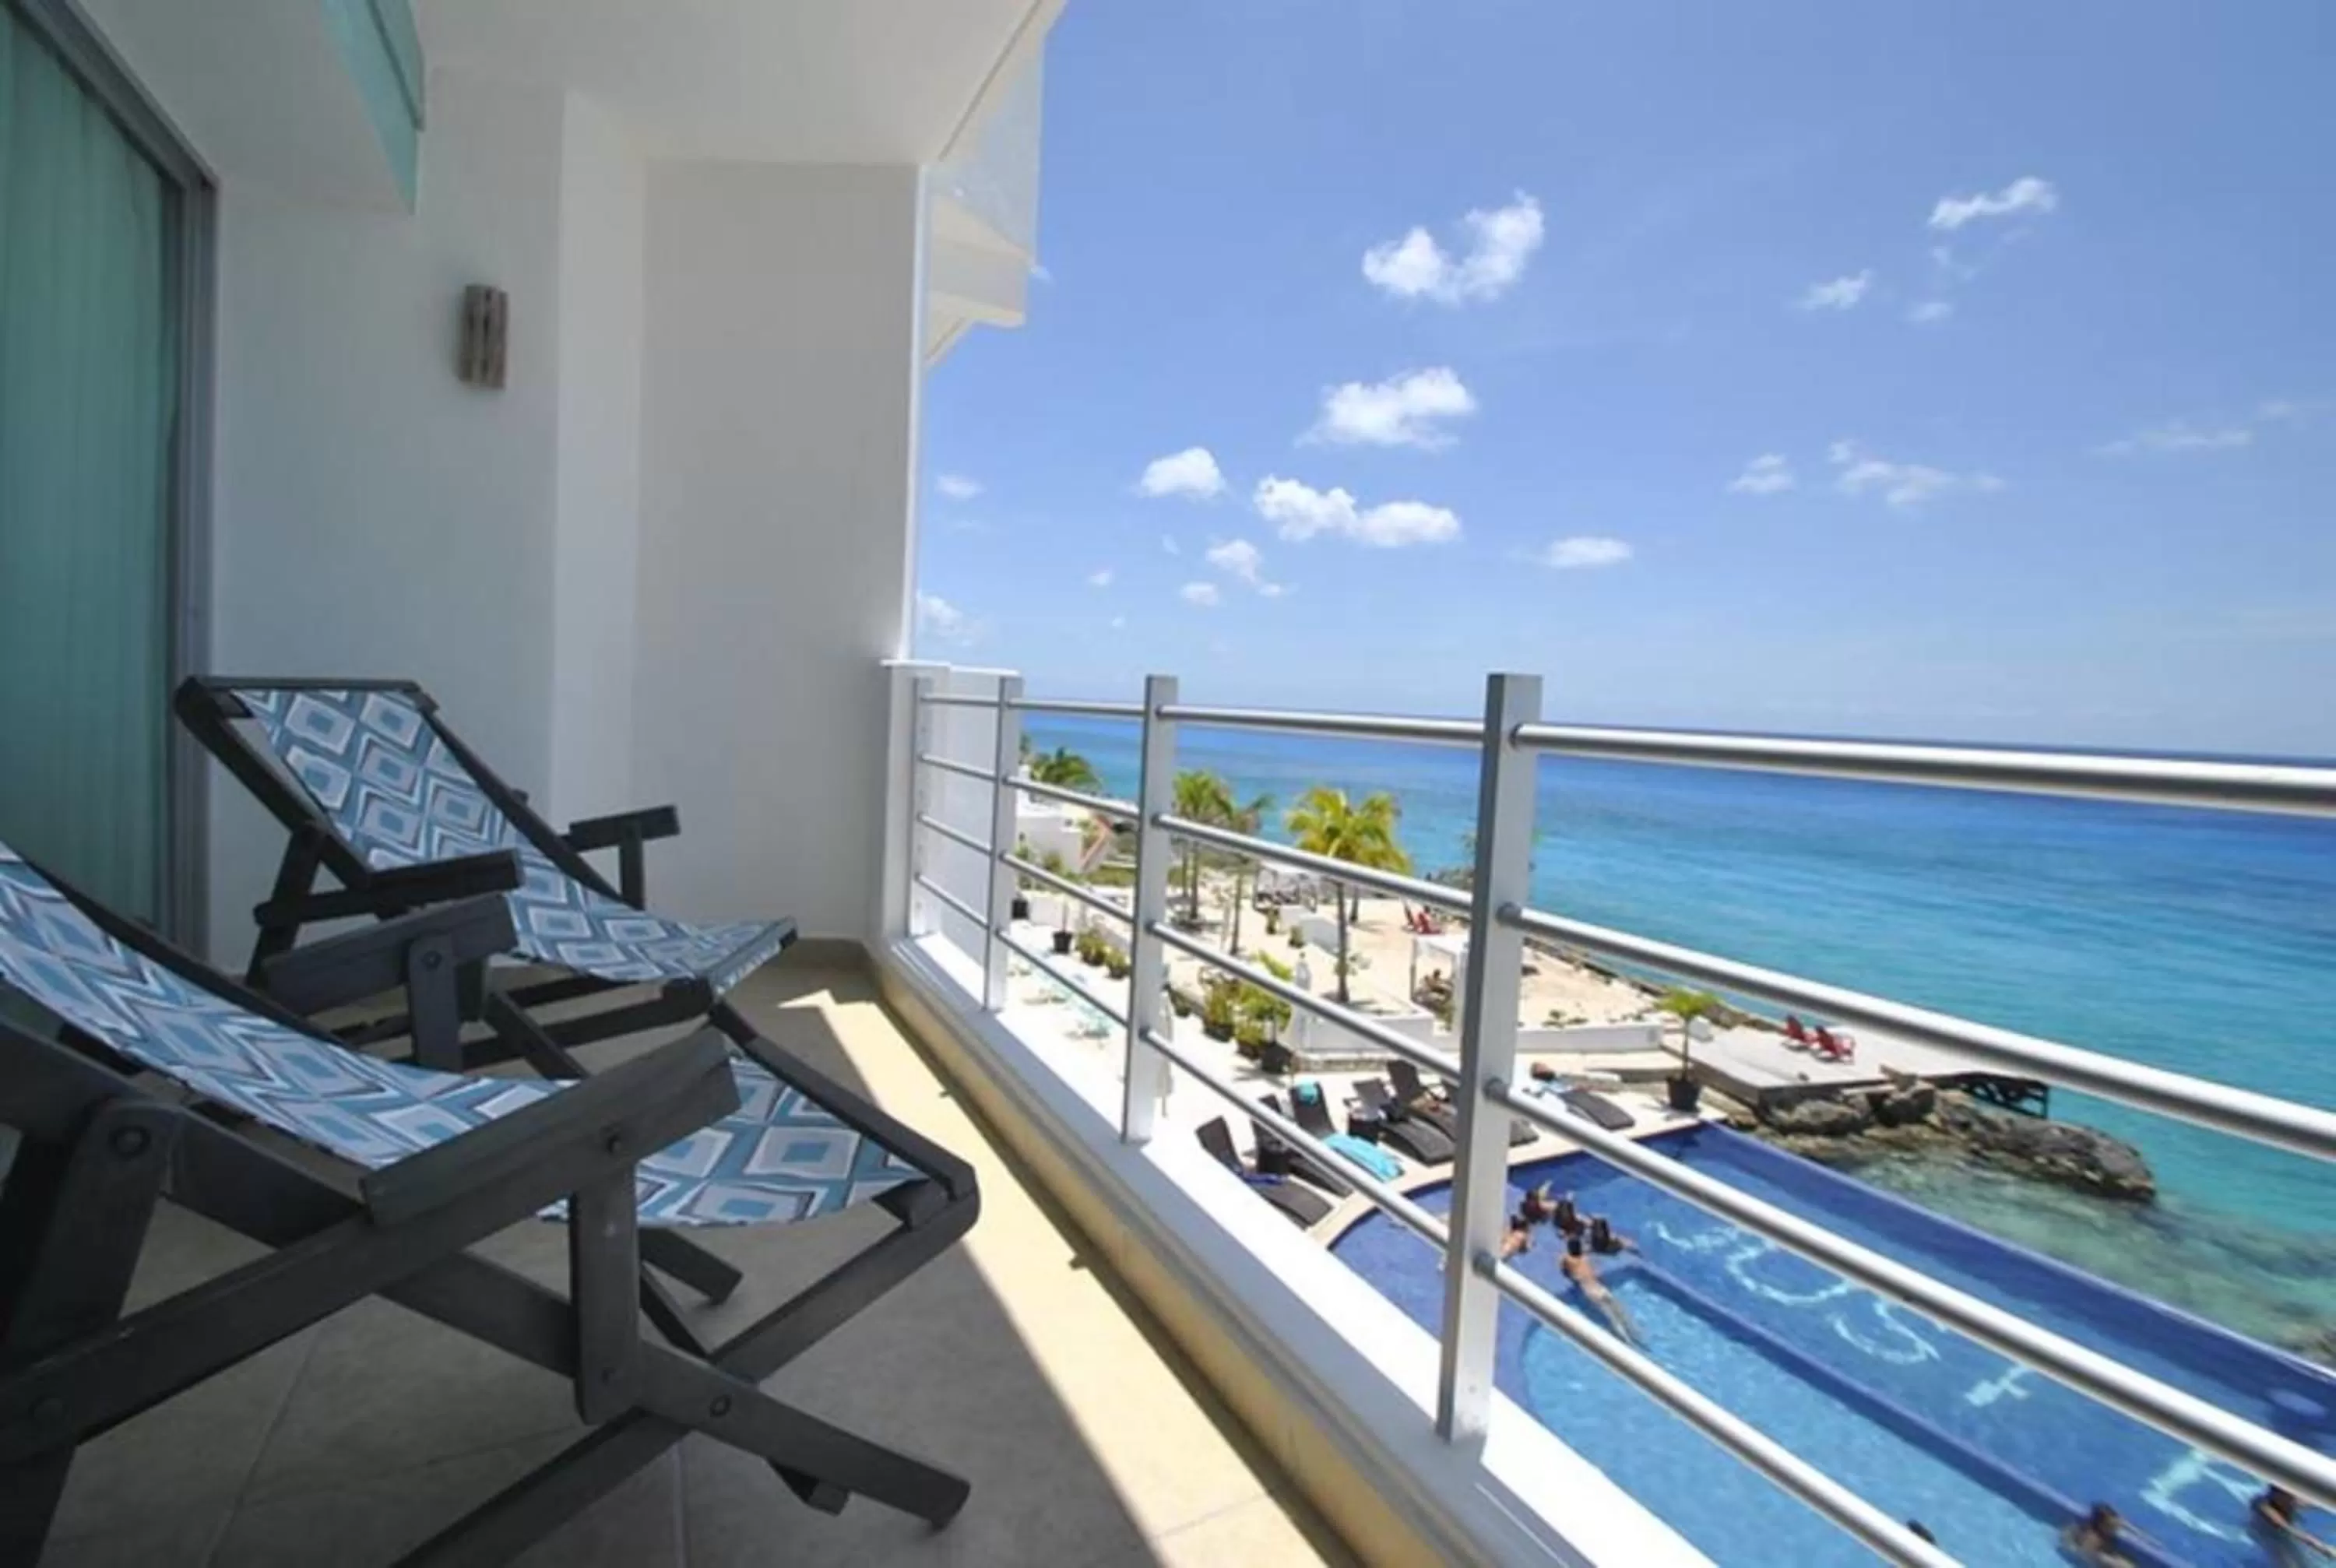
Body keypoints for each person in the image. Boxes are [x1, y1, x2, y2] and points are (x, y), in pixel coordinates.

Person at [1563, 1236, 1641, 1346]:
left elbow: (1564, 1270)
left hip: (1590, 1291)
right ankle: (1636, 1334)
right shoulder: (1585, 1258)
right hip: (1601, 1288)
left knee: (1611, 1319)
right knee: (1620, 1311)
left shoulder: (1567, 1259)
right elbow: (1586, 1251)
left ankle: (1627, 1343)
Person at [2254, 1485, 2334, 1564]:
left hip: (2287, 1533)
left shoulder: (2291, 1500)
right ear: (2276, 1494)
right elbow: (2288, 1529)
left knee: (2304, 1563)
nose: (2294, 1500)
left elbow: (2315, 1503)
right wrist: (2322, 1547)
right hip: (2270, 1537)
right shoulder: (2263, 1505)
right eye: (2291, 1496)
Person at [2061, 1502, 2134, 1567]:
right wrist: (2109, 1561)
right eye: (2110, 1526)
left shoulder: (2103, 1527)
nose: (2116, 1528)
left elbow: (2122, 1522)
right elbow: (2086, 1557)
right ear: (2101, 1525)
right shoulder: (2093, 1538)